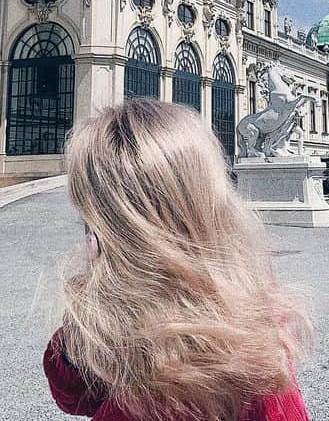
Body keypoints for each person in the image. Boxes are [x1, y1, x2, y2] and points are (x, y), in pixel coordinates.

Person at [43, 100, 311, 420]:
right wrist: (89, 317)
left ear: (120, 230)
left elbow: (74, 398)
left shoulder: (163, 398)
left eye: (91, 219)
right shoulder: (247, 309)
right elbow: (76, 394)